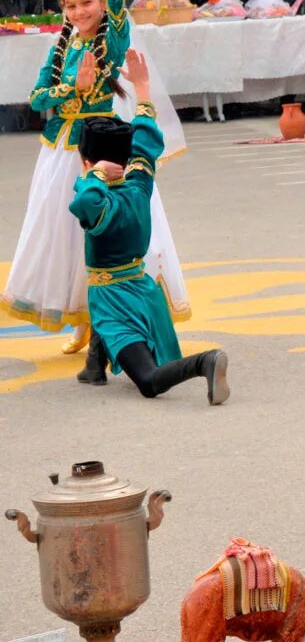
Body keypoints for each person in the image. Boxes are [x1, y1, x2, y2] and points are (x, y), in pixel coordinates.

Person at [2, 0, 190, 352]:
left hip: (103, 148)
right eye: (71, 5)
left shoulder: (115, 36)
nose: (79, 12)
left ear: (100, 2)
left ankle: (114, 319)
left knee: (106, 232)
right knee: (65, 233)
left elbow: (120, 2)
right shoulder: (60, 47)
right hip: (60, 151)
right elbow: (36, 98)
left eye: (87, 3)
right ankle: (83, 320)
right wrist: (73, 88)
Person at [71, 51, 229, 400]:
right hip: (143, 290)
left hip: (114, 299)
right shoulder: (140, 182)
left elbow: (83, 202)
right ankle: (94, 366)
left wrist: (94, 175)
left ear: (85, 162)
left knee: (148, 380)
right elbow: (144, 140)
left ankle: (203, 362)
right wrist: (142, 89)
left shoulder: (100, 203)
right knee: (104, 314)